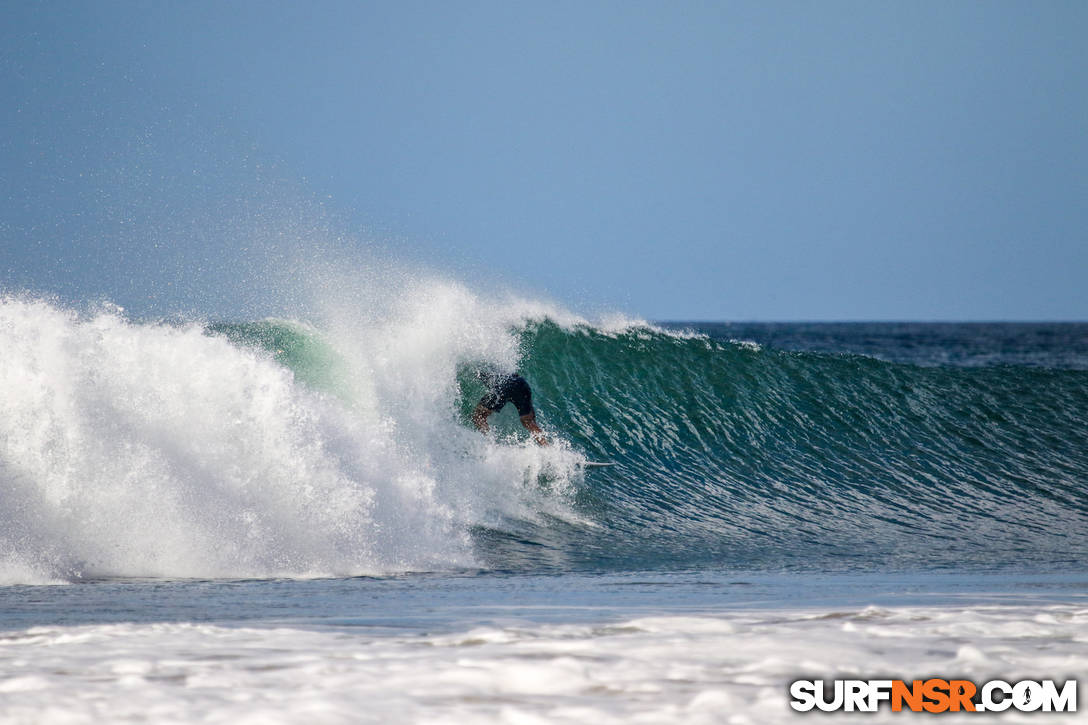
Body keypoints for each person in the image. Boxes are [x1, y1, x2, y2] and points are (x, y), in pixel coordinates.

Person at [472, 368, 549, 446]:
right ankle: (547, 447)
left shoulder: (479, 366)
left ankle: (491, 445)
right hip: (521, 382)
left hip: (503, 386)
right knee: (528, 421)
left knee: (479, 416)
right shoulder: (502, 363)